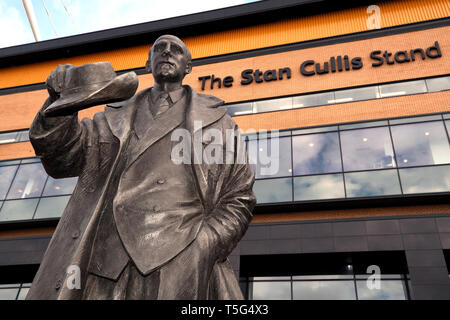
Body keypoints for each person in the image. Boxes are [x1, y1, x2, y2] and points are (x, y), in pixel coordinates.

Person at [26, 35, 256, 300]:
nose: (167, 52)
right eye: (159, 48)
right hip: (106, 256)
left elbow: (239, 195)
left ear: (188, 67)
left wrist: (206, 243)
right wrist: (60, 103)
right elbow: (62, 157)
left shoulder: (218, 122)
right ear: (148, 63)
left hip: (177, 255)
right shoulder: (112, 116)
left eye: (176, 50)